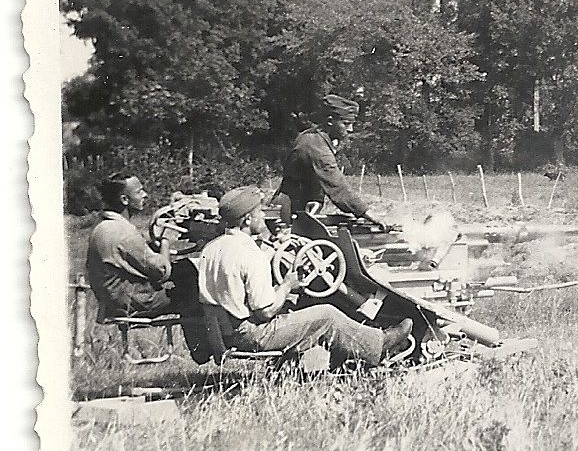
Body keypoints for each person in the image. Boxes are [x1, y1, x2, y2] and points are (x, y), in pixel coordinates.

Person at [198, 186, 412, 369]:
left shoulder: (213, 247)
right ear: (247, 219)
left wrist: (275, 252)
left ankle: (338, 359)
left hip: (222, 331)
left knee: (299, 311)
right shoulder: (250, 254)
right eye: (259, 212)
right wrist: (287, 284)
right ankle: (379, 346)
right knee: (326, 314)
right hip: (252, 334)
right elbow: (265, 311)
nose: (263, 216)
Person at [85, 173, 208, 358]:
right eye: (139, 191)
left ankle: (204, 350)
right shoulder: (123, 232)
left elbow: (135, 258)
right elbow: (162, 271)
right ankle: (205, 350)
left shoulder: (103, 227)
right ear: (124, 199)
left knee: (185, 269)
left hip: (115, 300)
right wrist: (166, 240)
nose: (145, 195)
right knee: (193, 288)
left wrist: (153, 246)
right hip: (134, 304)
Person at [273, 93, 387, 227]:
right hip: (288, 211)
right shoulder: (315, 146)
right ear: (330, 121)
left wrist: (317, 198)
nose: (350, 129)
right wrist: (367, 213)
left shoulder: (316, 137)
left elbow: (314, 175)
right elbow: (337, 186)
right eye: (346, 124)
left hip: (302, 207)